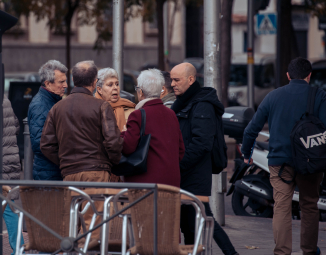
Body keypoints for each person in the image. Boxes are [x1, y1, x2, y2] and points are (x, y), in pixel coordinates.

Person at [242, 57, 326, 255]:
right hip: (310, 162)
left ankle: (282, 252)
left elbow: (251, 129)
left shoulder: (273, 96)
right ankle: (308, 250)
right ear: (309, 75)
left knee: (281, 206)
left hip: (280, 162)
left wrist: (247, 153)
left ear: (287, 76)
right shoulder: (319, 95)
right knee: (309, 205)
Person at [40, 60, 123, 245]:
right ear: (95, 82)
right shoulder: (101, 106)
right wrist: (113, 163)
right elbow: (113, 142)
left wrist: (64, 161)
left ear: (72, 80)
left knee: (72, 226)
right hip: (97, 172)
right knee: (94, 229)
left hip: (69, 174)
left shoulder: (57, 108)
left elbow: (46, 144)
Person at [170, 63, 238, 255]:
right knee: (188, 224)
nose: (172, 84)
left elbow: (202, 144)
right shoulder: (183, 101)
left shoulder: (202, 105)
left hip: (195, 174)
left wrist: (179, 165)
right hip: (185, 173)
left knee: (204, 218)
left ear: (191, 80)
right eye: (171, 80)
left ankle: (232, 253)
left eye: (177, 80)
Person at [121, 69, 184, 187]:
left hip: (145, 183)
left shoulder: (138, 114)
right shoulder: (171, 114)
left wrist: (122, 134)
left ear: (140, 92)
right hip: (172, 182)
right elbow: (181, 150)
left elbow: (128, 147)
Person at [27, 60, 67, 181]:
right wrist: (64, 160)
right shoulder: (40, 105)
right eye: (61, 82)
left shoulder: (53, 100)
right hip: (49, 173)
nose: (65, 85)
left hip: (52, 170)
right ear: (48, 84)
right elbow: (40, 144)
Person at [95, 67, 135, 182]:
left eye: (117, 84)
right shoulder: (93, 109)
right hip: (99, 169)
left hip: (124, 169)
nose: (115, 88)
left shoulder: (130, 108)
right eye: (110, 85)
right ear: (99, 89)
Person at [2, 95, 24, 255]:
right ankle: (19, 249)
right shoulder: (3, 99)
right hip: (10, 158)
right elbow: (16, 126)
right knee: (9, 206)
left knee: (7, 207)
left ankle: (19, 249)